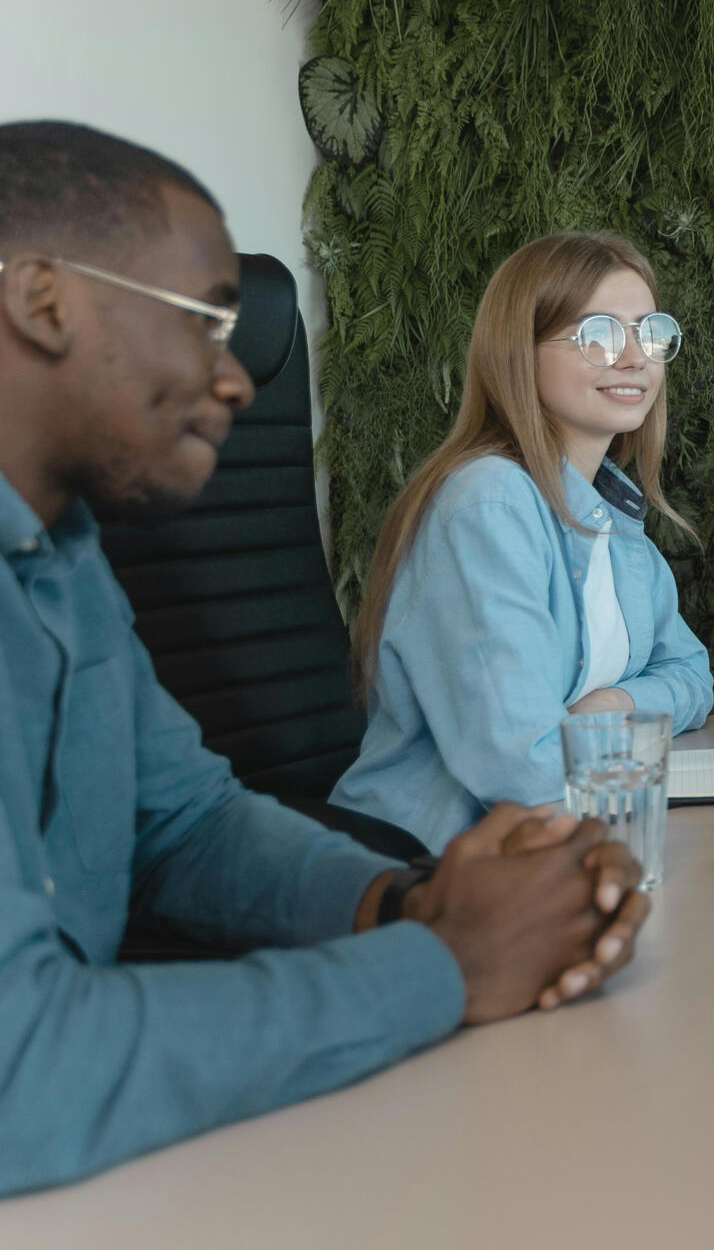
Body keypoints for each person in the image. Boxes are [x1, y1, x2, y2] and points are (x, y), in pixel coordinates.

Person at [0, 121, 650, 1197]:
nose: (237, 381)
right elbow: (18, 1071)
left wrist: (406, 903)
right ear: (43, 300)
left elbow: (184, 825)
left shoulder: (63, 556)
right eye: (206, 321)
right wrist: (443, 966)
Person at [331, 232, 714, 851]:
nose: (635, 358)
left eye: (649, 333)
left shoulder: (609, 512)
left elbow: (691, 674)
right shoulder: (489, 504)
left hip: (563, 839)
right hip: (436, 864)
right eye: (597, 335)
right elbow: (523, 771)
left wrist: (613, 705)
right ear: (520, 354)